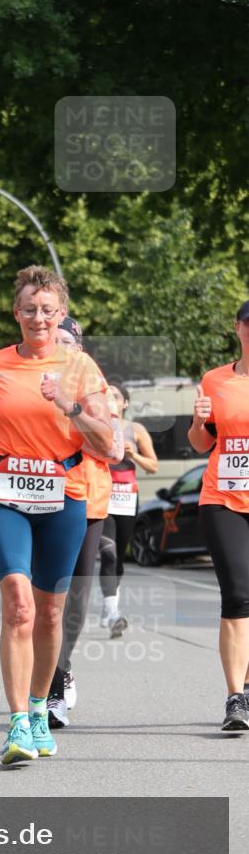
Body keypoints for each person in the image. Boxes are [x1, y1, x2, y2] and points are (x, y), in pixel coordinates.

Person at [0, 266, 114, 764]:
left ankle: (42, 708)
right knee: (19, 604)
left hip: (64, 494)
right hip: (6, 492)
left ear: (60, 313)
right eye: (28, 309)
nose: (38, 318)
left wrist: (66, 402)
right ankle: (18, 720)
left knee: (49, 612)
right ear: (16, 313)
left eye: (47, 310)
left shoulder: (82, 368)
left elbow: (107, 445)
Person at [46, 318, 123, 728]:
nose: (59, 347)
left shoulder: (98, 389)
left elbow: (114, 447)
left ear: (79, 346)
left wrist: (72, 410)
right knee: (42, 597)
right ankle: (45, 684)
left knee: (74, 597)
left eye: (66, 341)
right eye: (52, 341)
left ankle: (61, 670)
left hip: (88, 501)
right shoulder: (32, 383)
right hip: (37, 499)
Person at [188, 299, 249, 732]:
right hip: (223, 498)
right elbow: (199, 443)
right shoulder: (215, 380)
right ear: (238, 328)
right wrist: (197, 420)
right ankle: (235, 697)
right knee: (237, 593)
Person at [98, 383, 158, 637]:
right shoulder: (96, 428)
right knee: (108, 554)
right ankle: (113, 614)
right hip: (102, 497)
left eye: (116, 396)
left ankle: (109, 602)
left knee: (119, 556)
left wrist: (134, 456)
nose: (111, 399)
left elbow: (153, 466)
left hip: (126, 499)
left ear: (124, 403)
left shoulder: (136, 430)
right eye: (106, 396)